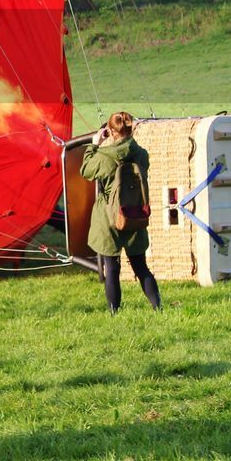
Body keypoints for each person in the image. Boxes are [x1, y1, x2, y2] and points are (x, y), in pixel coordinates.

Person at [80, 111, 161, 314]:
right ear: (132, 129)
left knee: (112, 268)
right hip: (135, 213)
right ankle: (157, 308)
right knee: (140, 267)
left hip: (109, 217)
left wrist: (94, 144)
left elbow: (85, 171)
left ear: (110, 131)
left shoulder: (102, 157)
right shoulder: (142, 154)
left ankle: (114, 313)